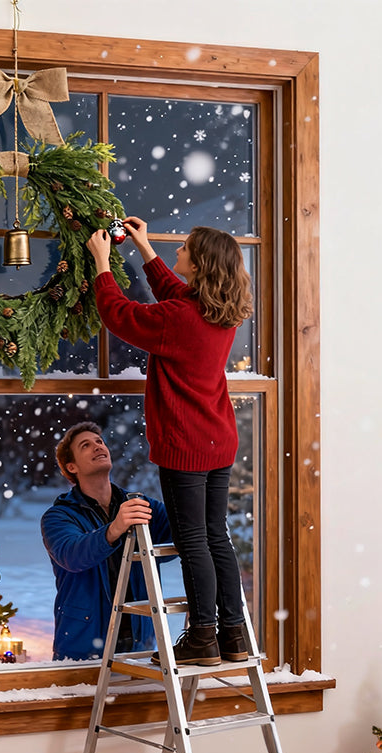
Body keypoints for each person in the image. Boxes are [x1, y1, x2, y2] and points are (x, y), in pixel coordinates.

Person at [87, 216, 254, 667]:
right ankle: (233, 633)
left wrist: (102, 264)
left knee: (193, 541)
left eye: (184, 248)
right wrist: (144, 249)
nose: (176, 250)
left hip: (186, 445)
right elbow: (174, 295)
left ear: (199, 265)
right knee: (216, 537)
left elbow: (120, 315)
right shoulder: (219, 312)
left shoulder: (180, 319)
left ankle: (202, 637)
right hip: (217, 441)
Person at [40, 421, 175, 661]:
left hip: (139, 644)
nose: (97, 447)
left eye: (99, 442)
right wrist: (113, 530)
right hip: (82, 647)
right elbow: (72, 555)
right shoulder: (58, 516)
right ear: (72, 467)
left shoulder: (140, 505)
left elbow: (181, 535)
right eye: (85, 445)